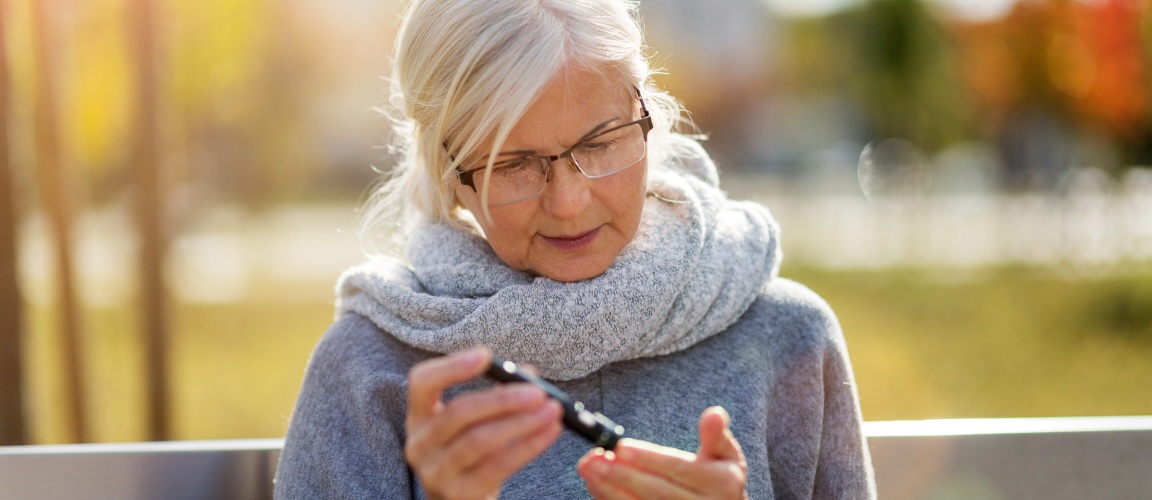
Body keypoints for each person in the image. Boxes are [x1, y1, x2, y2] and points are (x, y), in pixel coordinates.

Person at [274, 0, 876, 498]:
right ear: (450, 175)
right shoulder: (368, 370)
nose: (568, 202)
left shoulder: (790, 340)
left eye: (601, 142)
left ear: (647, 118)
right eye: (513, 164)